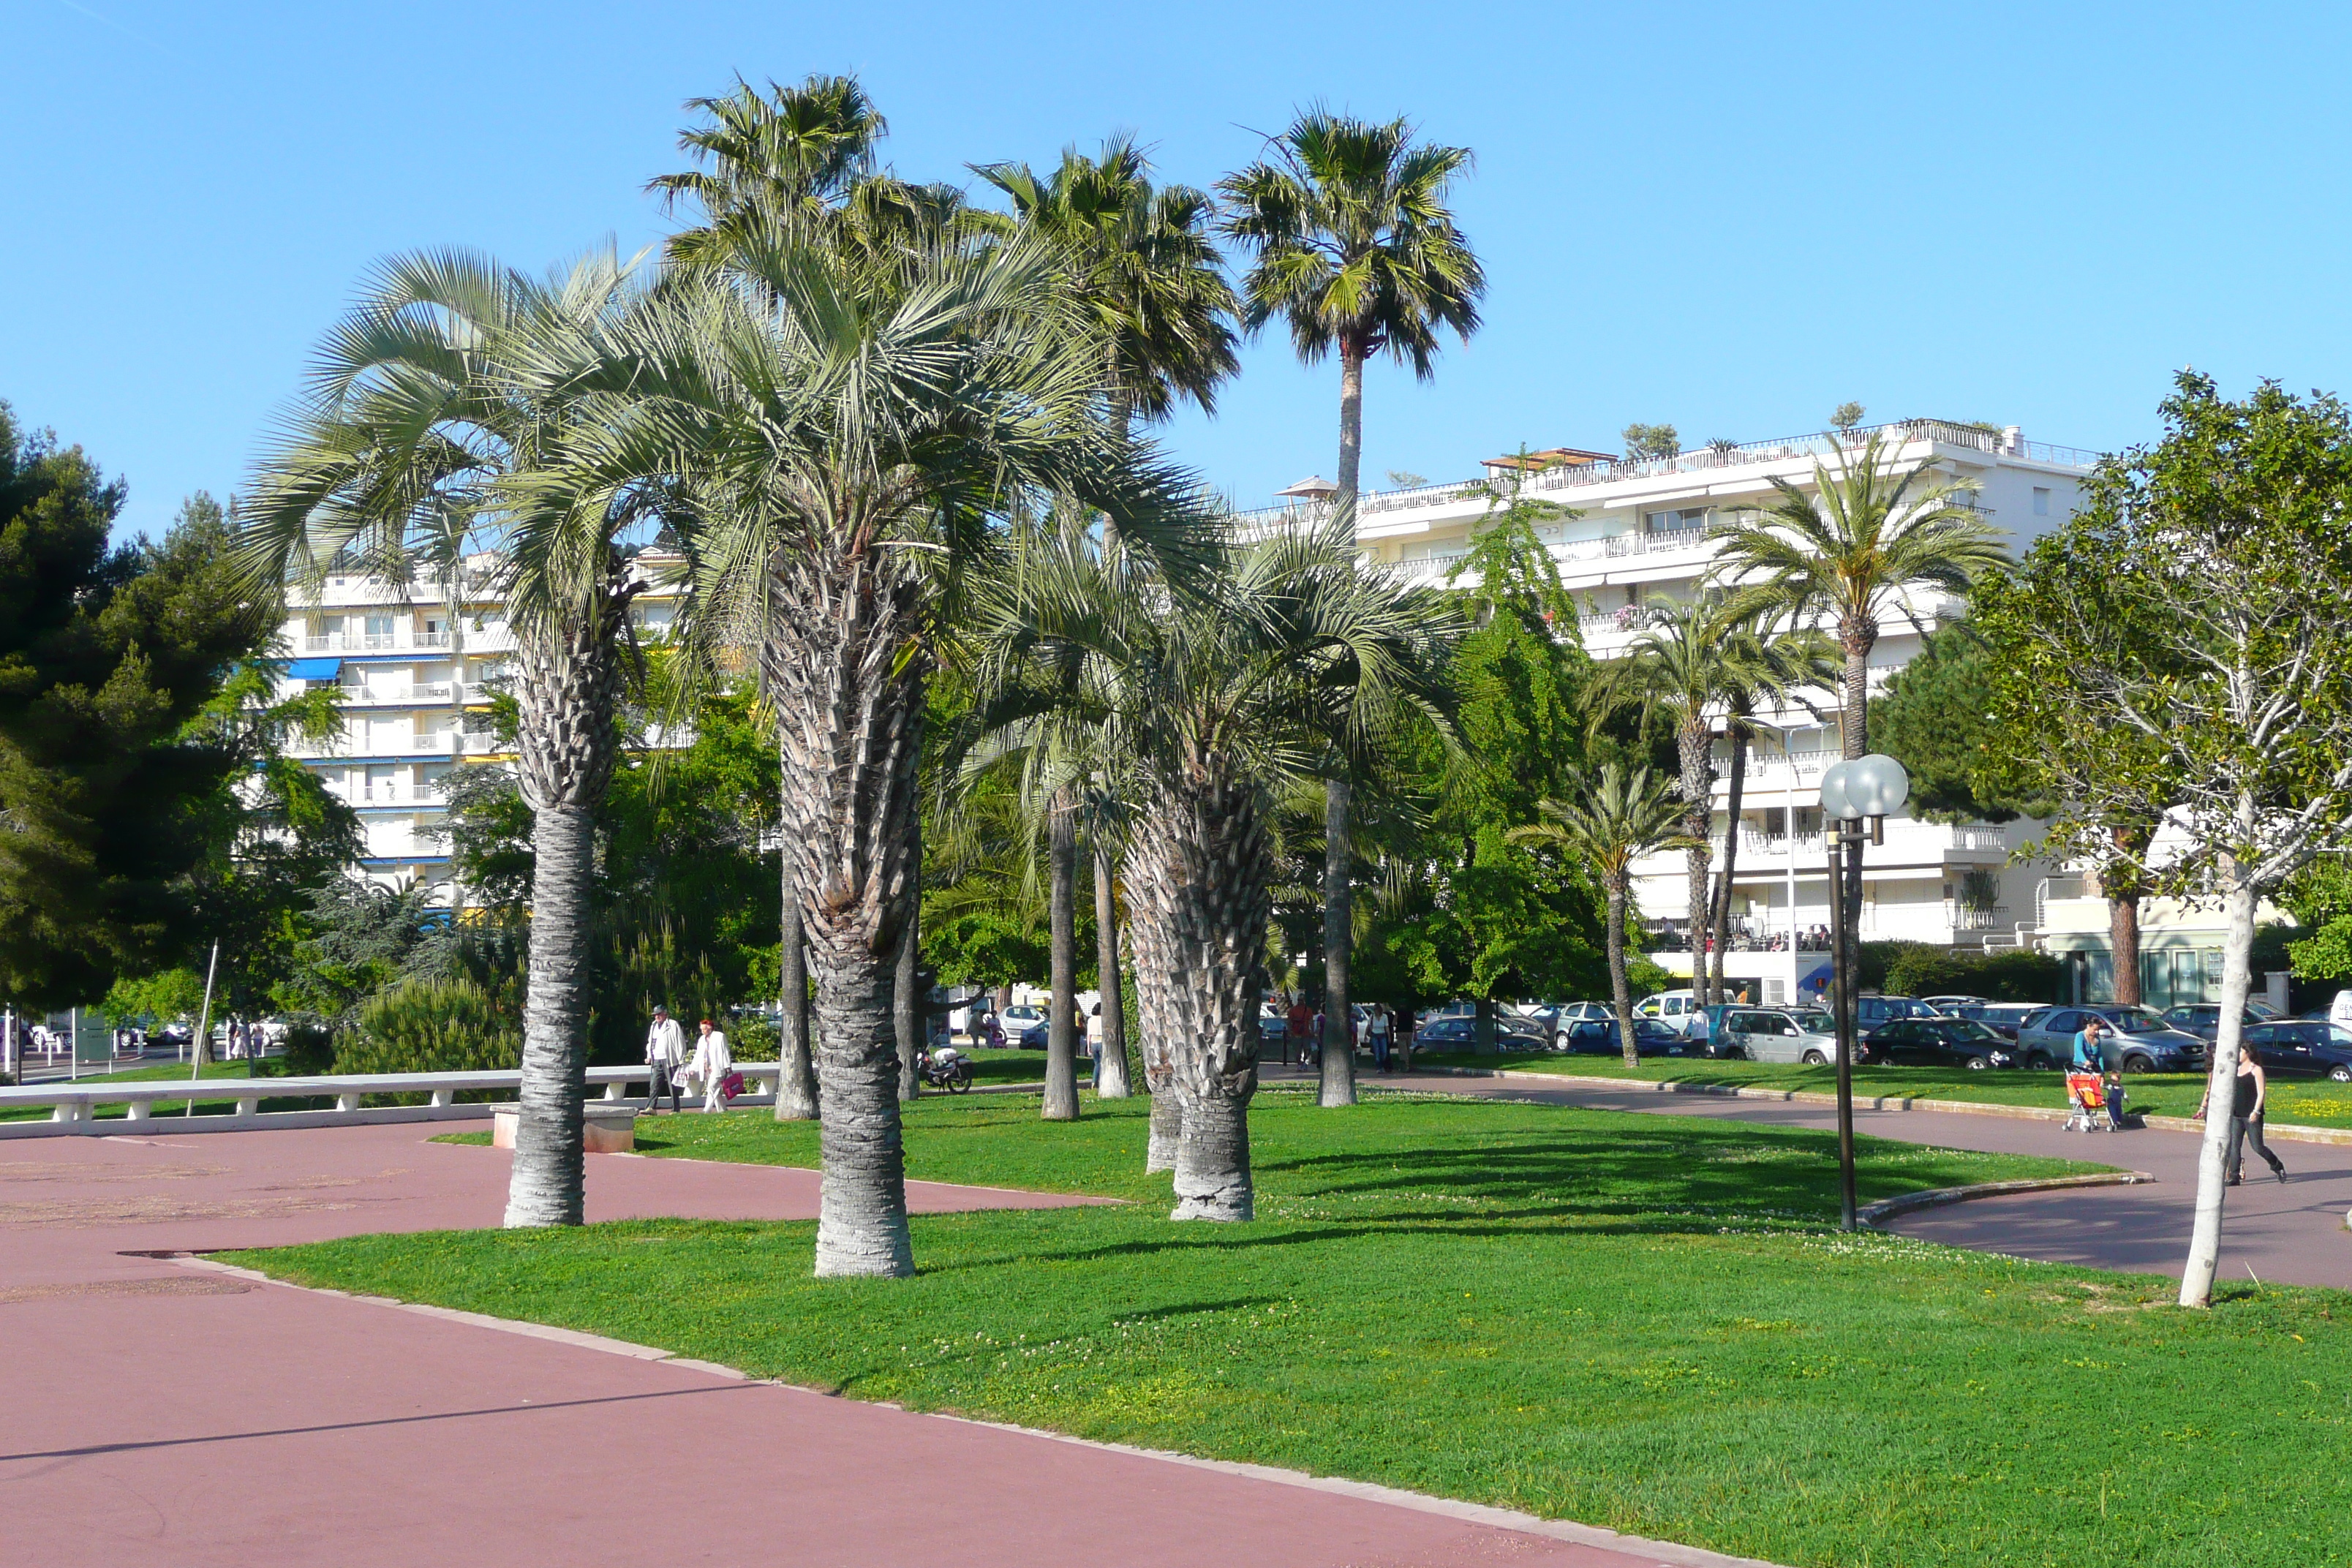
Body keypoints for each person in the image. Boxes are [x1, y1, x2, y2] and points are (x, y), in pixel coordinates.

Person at [2198, 1044, 2287, 1185]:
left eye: (2241, 1051)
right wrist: (2205, 1107)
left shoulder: (2256, 1070)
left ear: (2248, 1053)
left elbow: (2261, 1093)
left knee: (2258, 1147)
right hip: (2236, 1114)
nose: (2238, 1053)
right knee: (2234, 1146)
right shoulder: (2235, 1069)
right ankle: (2234, 1177)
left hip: (2251, 1115)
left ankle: (2277, 1166)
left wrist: (2256, 1111)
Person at [644, 1005, 685, 1114]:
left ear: (665, 1014)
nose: (657, 1017)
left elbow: (680, 1041)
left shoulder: (672, 1025)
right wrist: (649, 1056)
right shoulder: (654, 1026)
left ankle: (675, 1109)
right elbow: (651, 1042)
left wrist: (681, 1059)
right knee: (654, 1084)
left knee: (673, 1085)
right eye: (655, 1015)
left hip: (670, 1060)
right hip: (657, 1059)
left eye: (659, 1014)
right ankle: (651, 1107)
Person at [690, 1017, 734, 1114]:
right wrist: (693, 1067)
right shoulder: (702, 1039)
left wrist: (727, 1066)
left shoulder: (720, 1036)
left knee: (711, 1087)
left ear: (710, 1028)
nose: (702, 1031)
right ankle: (722, 1110)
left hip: (718, 1068)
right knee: (715, 1089)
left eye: (704, 1029)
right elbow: (698, 1054)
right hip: (706, 1069)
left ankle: (707, 1110)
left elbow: (725, 1051)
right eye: (701, 1029)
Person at [1085, 1003, 1105, 1090]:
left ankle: (1095, 1081)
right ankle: (1096, 1080)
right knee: (1101, 1064)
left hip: (1093, 1042)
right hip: (1101, 1041)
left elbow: (1088, 1034)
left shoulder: (1090, 1020)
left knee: (1097, 1063)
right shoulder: (1103, 1019)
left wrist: (1088, 1047)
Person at [1369, 1005, 1392, 1071]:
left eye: (1377, 1010)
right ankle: (1379, 1067)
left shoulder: (1385, 1017)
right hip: (1375, 1035)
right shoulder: (1372, 1016)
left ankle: (1383, 1065)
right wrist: (1366, 1034)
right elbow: (1369, 1026)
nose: (1376, 1011)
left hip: (1383, 1035)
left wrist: (1389, 1037)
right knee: (1377, 1052)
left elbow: (1387, 1027)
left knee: (1384, 1052)